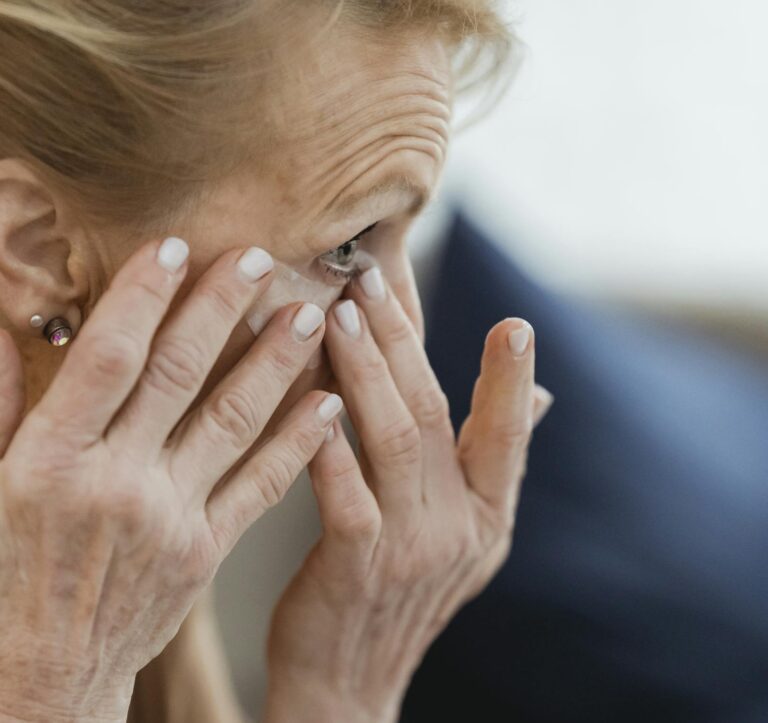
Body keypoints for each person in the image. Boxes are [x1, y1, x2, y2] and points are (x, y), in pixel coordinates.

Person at [0, 2, 553, 721]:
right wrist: (50, 691)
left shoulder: (132, 538)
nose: (405, 335)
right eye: (347, 247)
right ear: (36, 250)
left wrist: (339, 690)